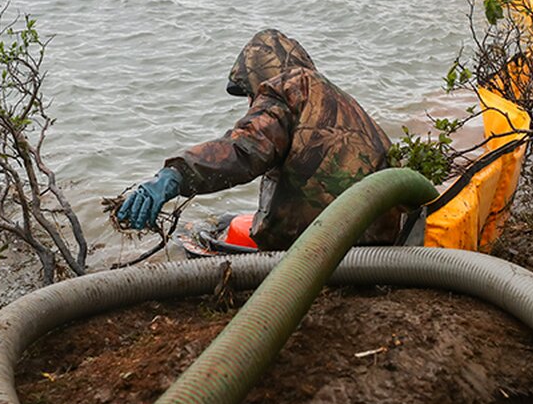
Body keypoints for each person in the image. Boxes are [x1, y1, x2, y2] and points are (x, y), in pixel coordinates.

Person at [116, 29, 400, 250]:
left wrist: (175, 175)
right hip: (379, 243)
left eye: (250, 95)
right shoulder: (340, 103)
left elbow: (242, 151)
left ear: (263, 79)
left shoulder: (288, 91)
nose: (251, 104)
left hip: (321, 254)